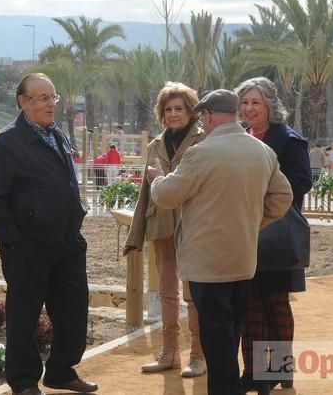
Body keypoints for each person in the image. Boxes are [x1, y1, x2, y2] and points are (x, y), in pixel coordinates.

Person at [149, 88, 293, 395]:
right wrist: (253, 222)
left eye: (203, 117)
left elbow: (166, 196)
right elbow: (283, 196)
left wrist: (157, 178)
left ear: (210, 115)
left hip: (206, 265)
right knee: (233, 332)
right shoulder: (262, 151)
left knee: (218, 345)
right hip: (244, 262)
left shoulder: (201, 153)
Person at [0, 73, 97, 395]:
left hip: (67, 245)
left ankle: (60, 371)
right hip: (28, 248)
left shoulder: (56, 135)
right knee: (24, 318)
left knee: (74, 312)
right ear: (23, 102)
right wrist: (17, 241)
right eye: (43, 98)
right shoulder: (7, 144)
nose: (51, 104)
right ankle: (23, 382)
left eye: (53, 97)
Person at [123, 82, 207, 377]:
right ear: (161, 113)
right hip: (160, 222)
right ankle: (168, 352)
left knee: (192, 292)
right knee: (166, 291)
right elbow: (145, 193)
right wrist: (136, 234)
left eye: (179, 108)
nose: (173, 114)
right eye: (168, 109)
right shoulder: (154, 145)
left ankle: (198, 355)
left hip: (193, 224)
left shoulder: (203, 139)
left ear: (191, 111)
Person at [234, 76, 312, 392]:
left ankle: (282, 370)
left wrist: (263, 197)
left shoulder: (289, 140)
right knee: (249, 306)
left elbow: (301, 182)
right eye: (244, 102)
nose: (249, 108)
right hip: (244, 235)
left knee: (276, 305)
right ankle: (254, 373)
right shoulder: (239, 137)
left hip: (276, 236)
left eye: (255, 102)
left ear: (270, 104)